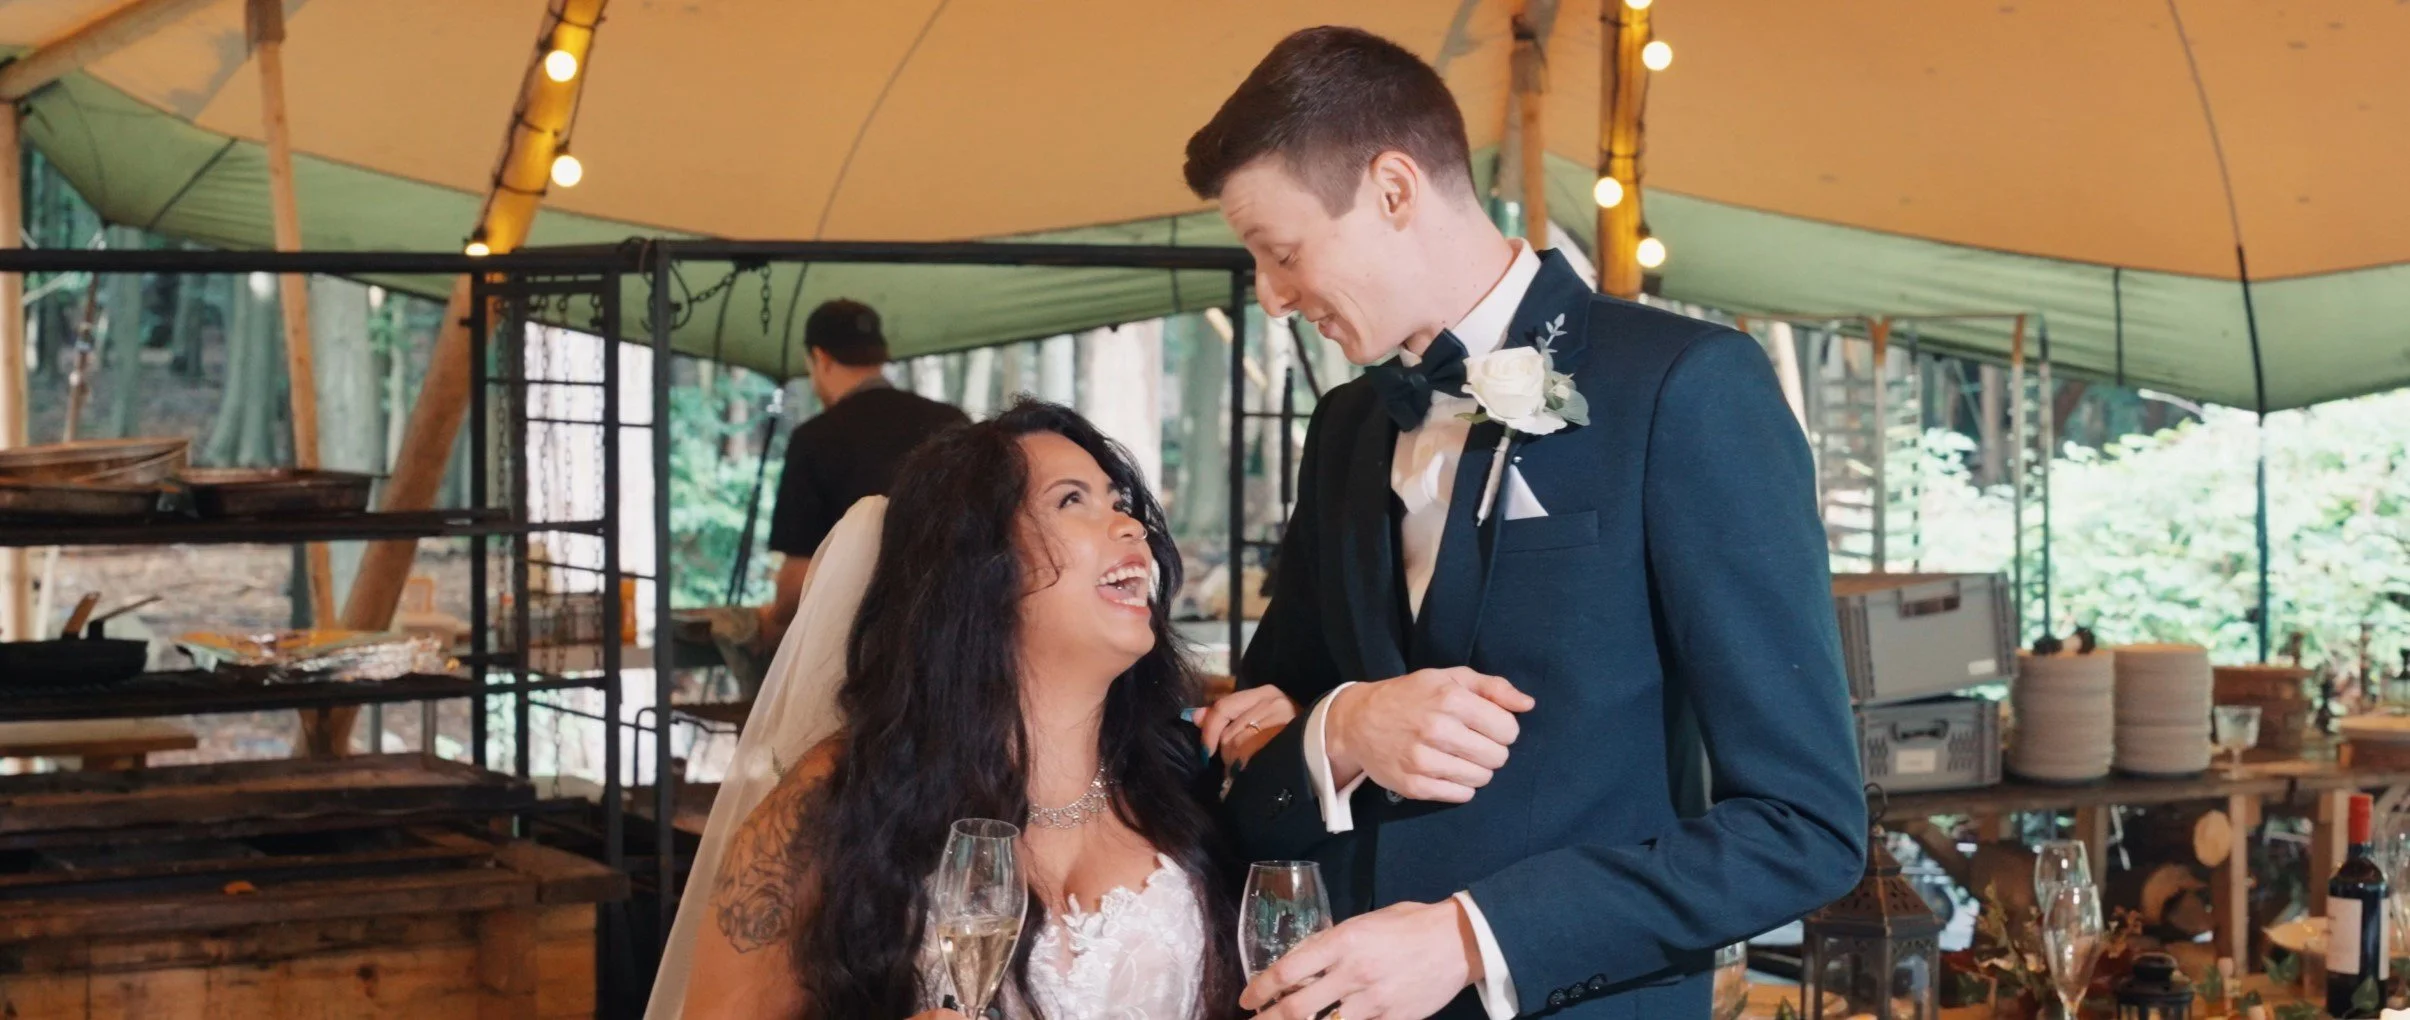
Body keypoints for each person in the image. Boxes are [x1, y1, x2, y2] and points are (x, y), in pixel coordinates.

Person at [1188, 27, 1869, 1020]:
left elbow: (1803, 828)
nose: (1273, 298)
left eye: (1281, 254)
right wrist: (1343, 728)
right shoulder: (1344, 428)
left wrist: (1471, 936)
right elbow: (1260, 743)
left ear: (1392, 189)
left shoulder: (1683, 389)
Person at [664, 400, 1297, 1020]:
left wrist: (1291, 760)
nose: (1131, 527)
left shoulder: (1193, 771)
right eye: (1072, 500)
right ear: (976, 563)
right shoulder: (838, 796)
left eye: (1121, 503)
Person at [760, 298, 968, 646]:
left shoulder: (816, 438)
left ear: (820, 358)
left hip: (858, 653)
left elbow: (797, 583)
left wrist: (771, 617)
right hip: (954, 640)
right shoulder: (952, 423)